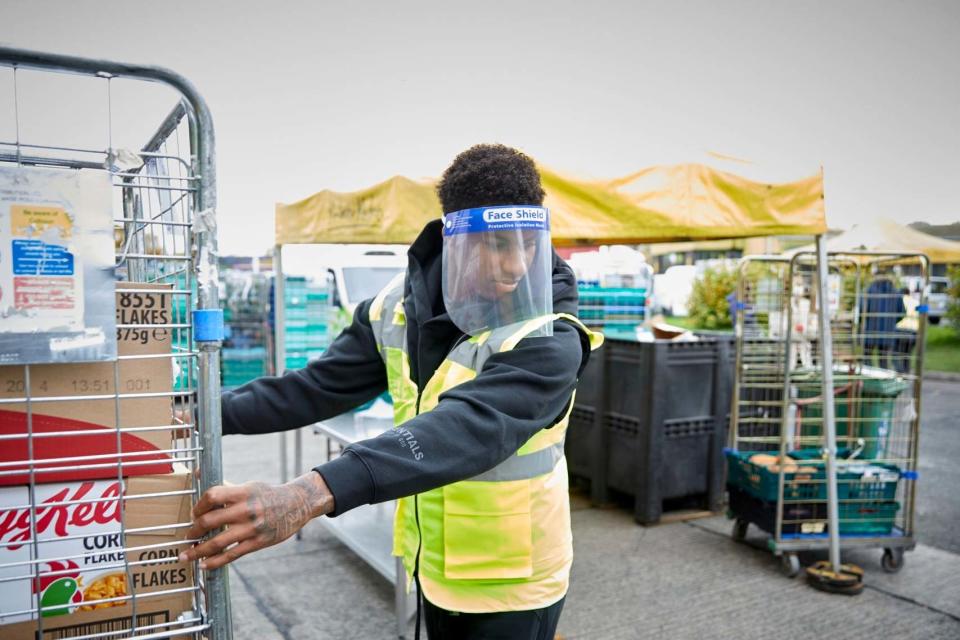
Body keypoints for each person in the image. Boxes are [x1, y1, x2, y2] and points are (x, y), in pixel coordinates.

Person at [179, 144, 603, 639]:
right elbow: (316, 387)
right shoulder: (395, 308)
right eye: (497, 244)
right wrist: (198, 415)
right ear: (456, 238)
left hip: (514, 579)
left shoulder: (550, 333)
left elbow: (470, 428)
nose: (516, 264)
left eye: (527, 243)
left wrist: (309, 492)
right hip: (434, 564)